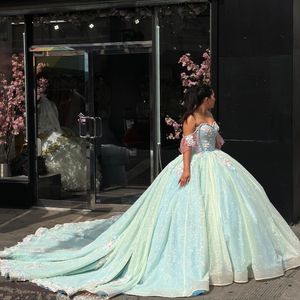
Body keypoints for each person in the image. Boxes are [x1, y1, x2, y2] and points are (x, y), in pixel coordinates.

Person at [1, 84, 300, 300]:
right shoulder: (191, 119)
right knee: (195, 213)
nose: (215, 100)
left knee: (230, 213)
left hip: (218, 165)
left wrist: (216, 146)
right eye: (212, 96)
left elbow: (215, 139)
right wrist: (186, 169)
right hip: (195, 165)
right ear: (204, 99)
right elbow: (187, 146)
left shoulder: (208, 117)